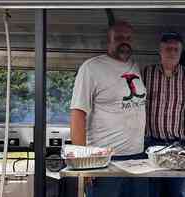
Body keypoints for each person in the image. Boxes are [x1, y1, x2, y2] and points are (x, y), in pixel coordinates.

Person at [70, 20, 148, 197]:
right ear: (109, 41)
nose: (124, 42)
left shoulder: (135, 66)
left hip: (138, 159)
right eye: (119, 37)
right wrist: (83, 161)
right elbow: (77, 114)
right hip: (104, 160)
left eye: (128, 38)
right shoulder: (91, 68)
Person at [142, 32, 185, 197]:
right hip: (151, 144)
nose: (172, 52)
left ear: (180, 52)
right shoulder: (146, 73)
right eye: (168, 49)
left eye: (176, 49)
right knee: (152, 191)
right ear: (160, 51)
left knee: (178, 192)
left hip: (180, 145)